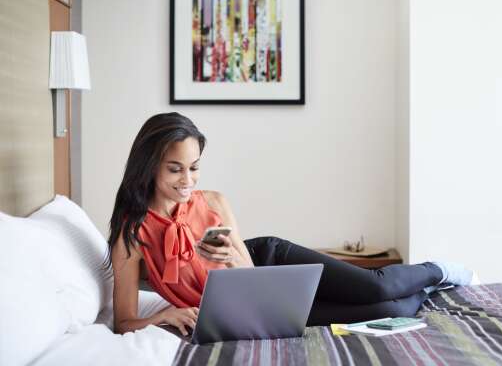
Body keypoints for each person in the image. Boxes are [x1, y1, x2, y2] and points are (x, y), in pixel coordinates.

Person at [106, 112, 478, 336]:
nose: (187, 180)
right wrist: (166, 315)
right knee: (391, 312)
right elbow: (124, 322)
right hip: (246, 310)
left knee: (374, 287)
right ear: (149, 165)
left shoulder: (214, 202)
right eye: (175, 169)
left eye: (194, 167)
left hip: (268, 263)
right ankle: (431, 292)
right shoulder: (131, 233)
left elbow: (251, 275)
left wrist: (231, 257)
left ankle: (439, 270)